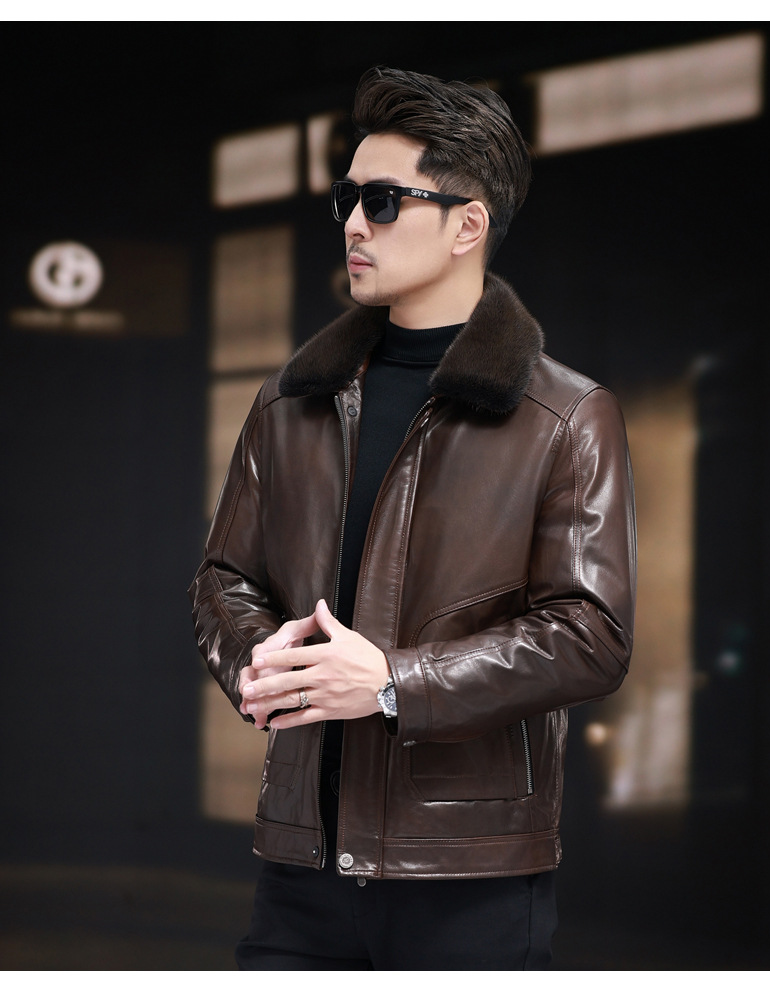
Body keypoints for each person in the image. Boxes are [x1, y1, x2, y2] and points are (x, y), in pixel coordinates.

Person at [189, 65, 637, 971]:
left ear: (468, 225)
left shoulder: (563, 415)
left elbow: (591, 635)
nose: (354, 224)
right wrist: (258, 660)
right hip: (301, 869)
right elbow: (224, 578)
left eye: (384, 201)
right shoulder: (292, 402)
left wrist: (394, 681)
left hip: (468, 877)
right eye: (348, 199)